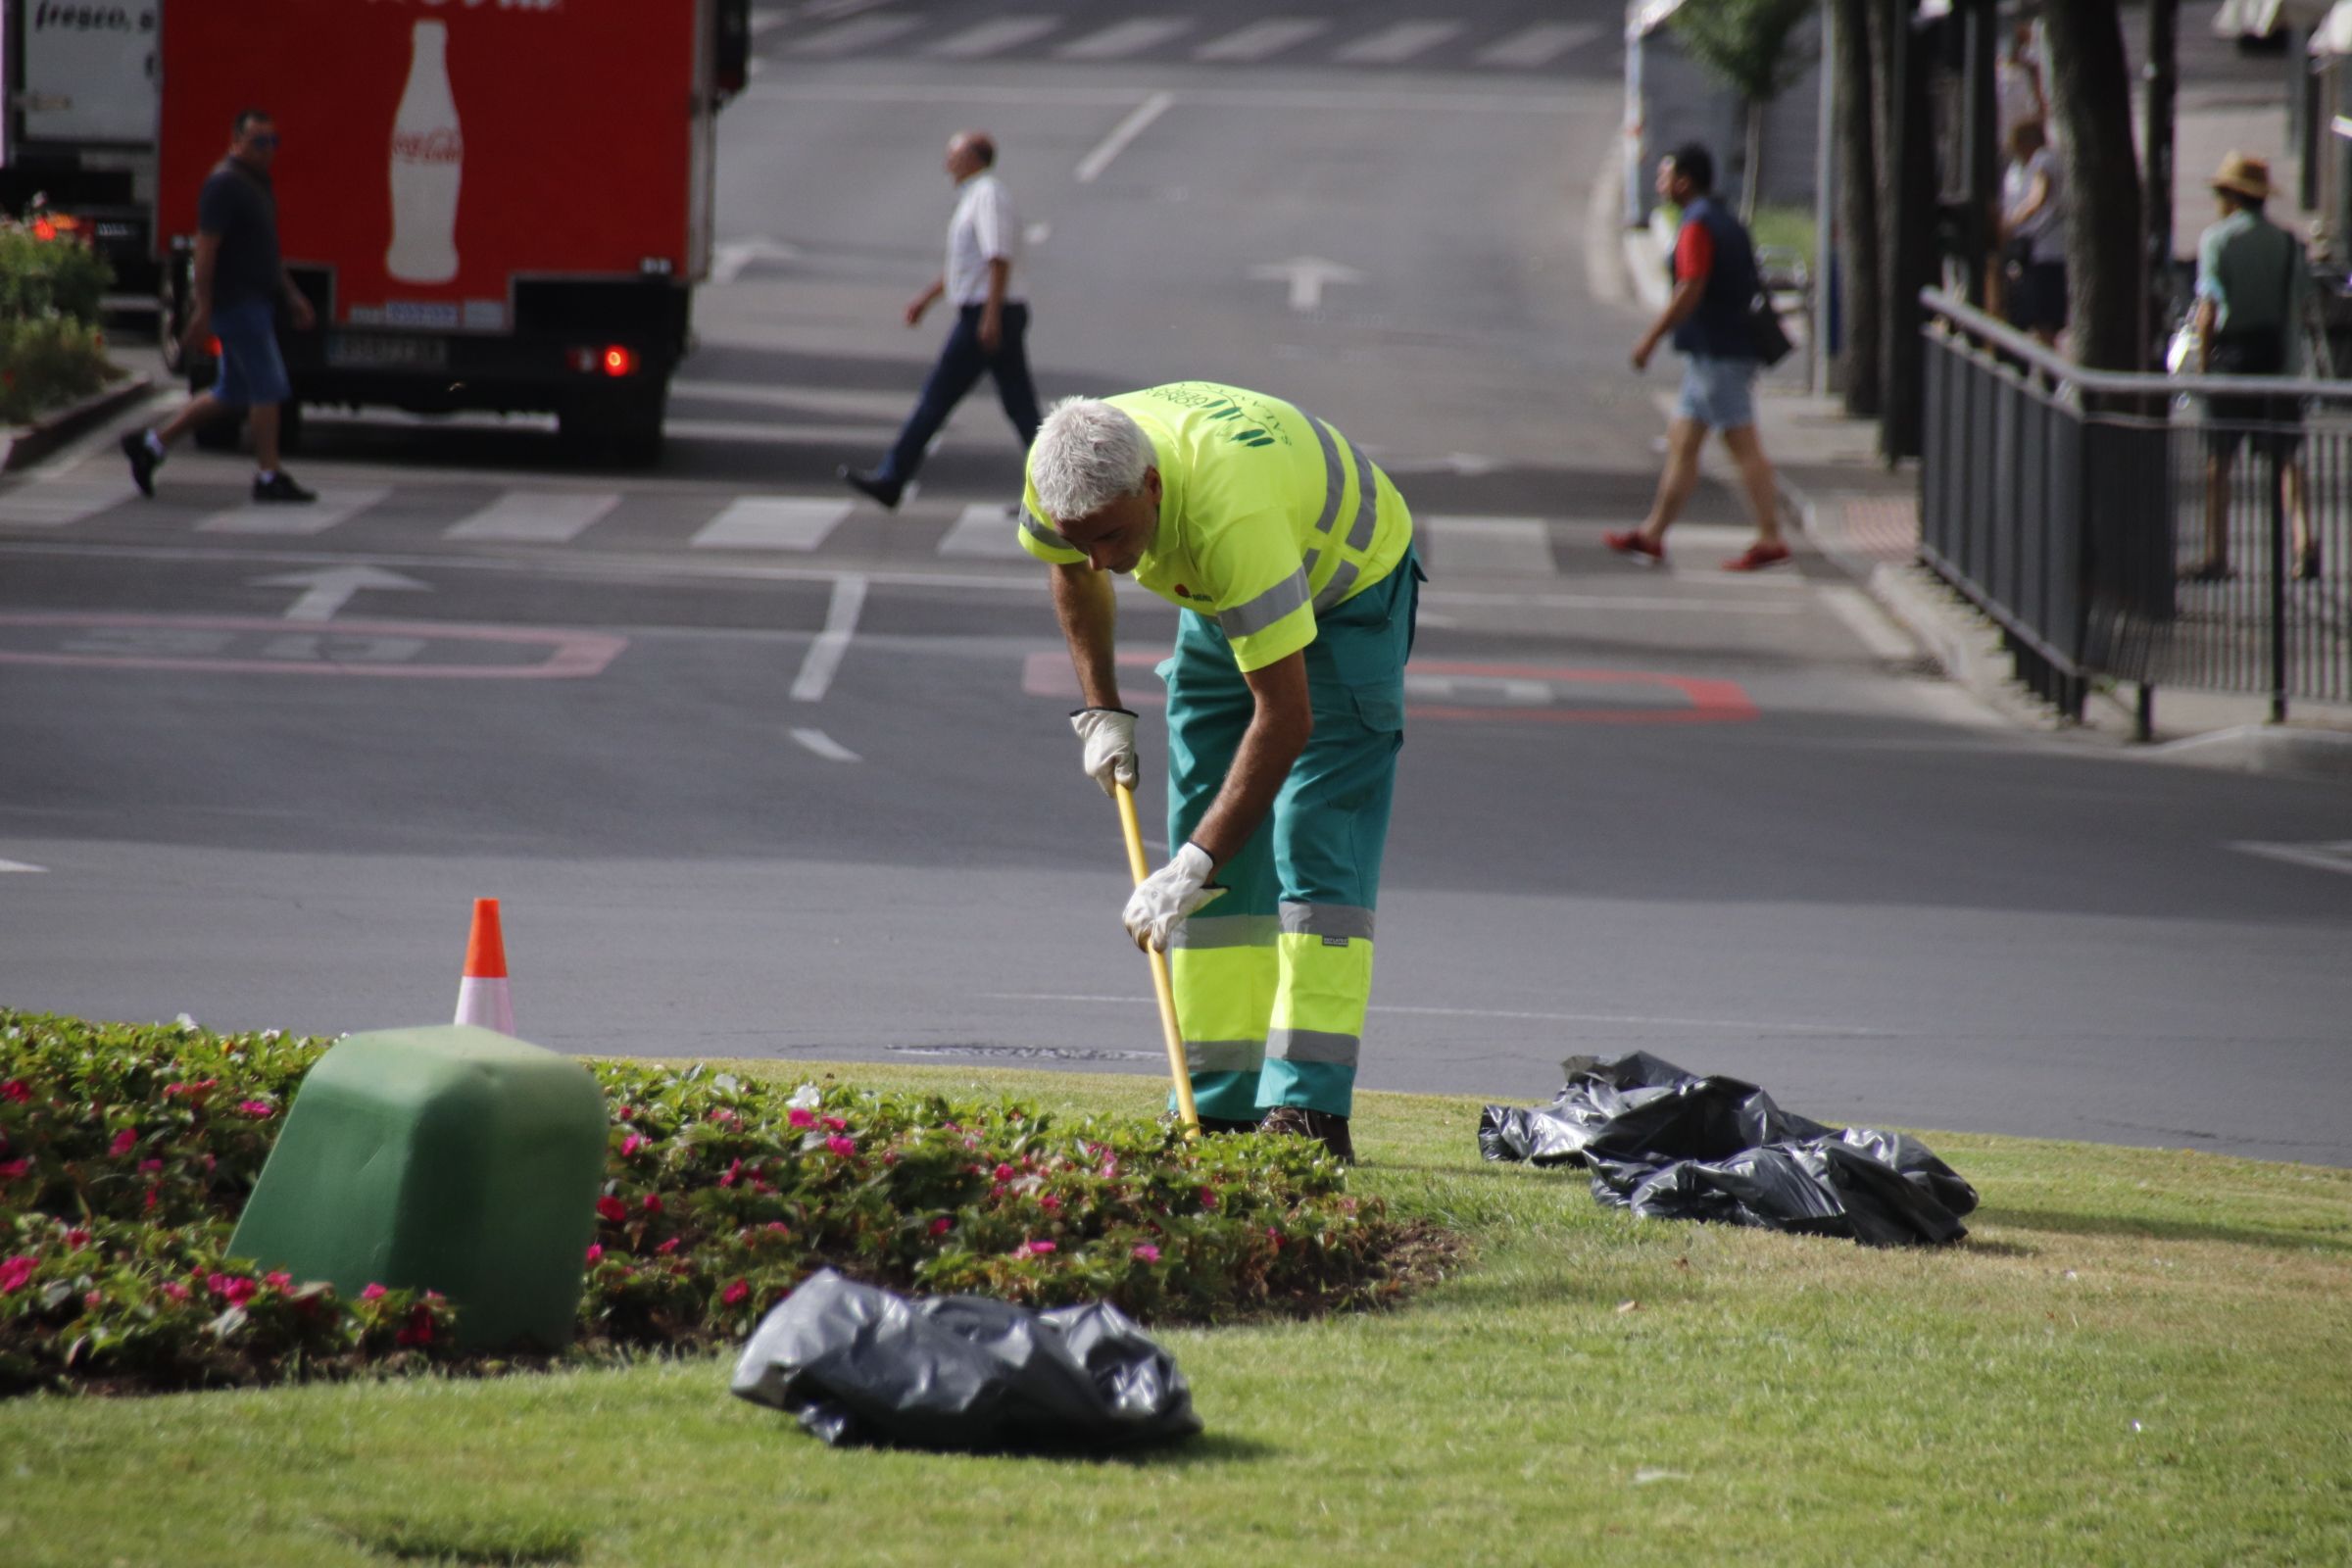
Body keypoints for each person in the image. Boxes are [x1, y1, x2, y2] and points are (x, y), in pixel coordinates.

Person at [1022, 385, 1422, 1163]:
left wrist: (1191, 866)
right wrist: (1100, 710)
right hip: (1218, 589)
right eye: (1081, 537)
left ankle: (1308, 1113)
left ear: (1153, 488)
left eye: (1110, 536)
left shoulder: (1228, 517)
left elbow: (1287, 719)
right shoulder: (1061, 475)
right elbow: (1071, 568)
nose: (1100, 559)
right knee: (1206, 812)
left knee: (1313, 831)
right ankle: (1220, 1101)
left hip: (1347, 587)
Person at [120, 108, 317, 504]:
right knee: (268, 387)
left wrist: (291, 294)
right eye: (258, 141)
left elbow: (267, 251)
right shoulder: (224, 184)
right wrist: (203, 307)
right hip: (237, 303)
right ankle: (268, 474)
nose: (267, 150)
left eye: (272, 141)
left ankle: (152, 445)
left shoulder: (256, 183)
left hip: (257, 300)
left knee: (231, 391)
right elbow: (206, 249)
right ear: (236, 141)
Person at [1608, 144, 1789, 572]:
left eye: (1665, 175)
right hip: (1717, 352)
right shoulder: (1722, 219)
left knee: (1741, 443)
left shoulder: (1697, 226)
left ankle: (1770, 536)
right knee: (1683, 443)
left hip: (1719, 354)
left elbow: (1690, 287)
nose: (1660, 184)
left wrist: (1649, 340)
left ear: (1684, 181)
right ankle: (1653, 534)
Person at [840, 130, 1042, 511]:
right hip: (987, 309)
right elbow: (967, 266)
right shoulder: (975, 196)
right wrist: (926, 299)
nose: (947, 163)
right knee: (1020, 408)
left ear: (974, 159)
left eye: (954, 155)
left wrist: (991, 316)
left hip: (989, 311)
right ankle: (1057, 494)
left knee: (937, 399)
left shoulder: (987, 195)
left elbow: (997, 257)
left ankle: (892, 477)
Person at [2187, 153, 2316, 583]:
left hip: (2230, 357)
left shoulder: (2217, 241)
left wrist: (2204, 368)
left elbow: (2207, 312)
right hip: (2276, 359)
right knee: (2286, 458)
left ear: (2230, 197)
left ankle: (2217, 553)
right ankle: (2303, 542)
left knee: (2219, 460)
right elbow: (2299, 301)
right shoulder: (2287, 243)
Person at [1997, 120, 2067, 348]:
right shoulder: (2024, 168)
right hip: (2040, 253)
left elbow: (2039, 196)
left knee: (2043, 321)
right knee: (2038, 320)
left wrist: (2012, 223)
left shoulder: (2044, 159)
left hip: (2046, 252)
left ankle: (2048, 377)